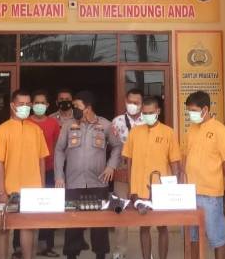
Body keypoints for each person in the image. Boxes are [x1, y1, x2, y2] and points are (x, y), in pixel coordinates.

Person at [54, 91, 121, 259]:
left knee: (99, 222)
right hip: (73, 182)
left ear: (88, 108)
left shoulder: (105, 125)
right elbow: (59, 150)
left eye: (77, 106)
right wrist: (59, 176)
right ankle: (71, 255)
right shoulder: (68, 125)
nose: (73, 109)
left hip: (98, 182)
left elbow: (117, 146)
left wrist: (111, 166)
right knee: (73, 221)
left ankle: (100, 254)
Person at [0, 89, 49, 259]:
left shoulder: (36, 130)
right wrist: (1, 191)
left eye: (27, 104)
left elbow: (41, 160)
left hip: (32, 189)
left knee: (27, 227)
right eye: (21, 104)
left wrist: (42, 187)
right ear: (12, 105)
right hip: (9, 189)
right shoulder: (2, 130)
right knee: (4, 228)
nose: (25, 107)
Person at [122, 96, 180, 259]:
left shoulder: (168, 132)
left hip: (161, 189)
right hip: (140, 188)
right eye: (144, 113)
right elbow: (129, 162)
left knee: (162, 226)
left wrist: (175, 189)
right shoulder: (135, 132)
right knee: (144, 226)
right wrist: (130, 187)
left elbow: (175, 162)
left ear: (158, 111)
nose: (147, 116)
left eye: (150, 113)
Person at [182, 91, 225, 259]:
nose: (191, 114)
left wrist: (214, 176)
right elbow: (186, 156)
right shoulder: (191, 130)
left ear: (205, 109)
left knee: (217, 237)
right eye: (189, 111)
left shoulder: (220, 130)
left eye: (193, 110)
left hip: (211, 195)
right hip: (190, 193)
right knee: (192, 236)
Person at [110, 88, 145, 259]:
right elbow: (112, 148)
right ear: (125, 101)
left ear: (142, 104)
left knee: (145, 210)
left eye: (136, 103)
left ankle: (146, 251)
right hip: (122, 171)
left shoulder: (148, 121)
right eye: (130, 102)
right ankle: (120, 250)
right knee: (120, 210)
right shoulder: (116, 122)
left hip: (143, 172)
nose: (133, 105)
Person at [29, 89, 61, 257]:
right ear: (31, 105)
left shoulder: (53, 123)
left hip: (48, 170)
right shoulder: (26, 122)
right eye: (36, 103)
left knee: (48, 208)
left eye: (42, 103)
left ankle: (46, 245)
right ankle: (19, 247)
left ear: (48, 105)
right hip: (28, 171)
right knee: (22, 208)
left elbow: (56, 147)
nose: (39, 105)